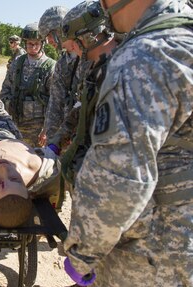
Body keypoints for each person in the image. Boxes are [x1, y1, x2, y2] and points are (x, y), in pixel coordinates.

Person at [62, 0, 193, 286]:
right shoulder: (183, 38)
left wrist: (82, 256)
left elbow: (118, 181)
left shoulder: (144, 55)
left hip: (155, 254)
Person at [58, 1, 119, 185]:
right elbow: (82, 108)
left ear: (88, 38)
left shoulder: (122, 69)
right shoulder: (95, 70)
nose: (74, 53)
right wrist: (57, 139)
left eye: (73, 47)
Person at [0, 23, 56, 147]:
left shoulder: (50, 67)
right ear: (25, 43)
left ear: (42, 43)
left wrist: (46, 129)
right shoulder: (17, 64)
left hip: (38, 130)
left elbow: (54, 102)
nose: (33, 46)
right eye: (30, 43)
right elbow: (5, 90)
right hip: (15, 125)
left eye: (37, 43)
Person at [37, 6, 81, 150]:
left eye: (50, 35)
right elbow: (55, 102)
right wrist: (51, 140)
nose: (49, 41)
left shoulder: (90, 56)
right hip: (66, 135)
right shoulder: (62, 63)